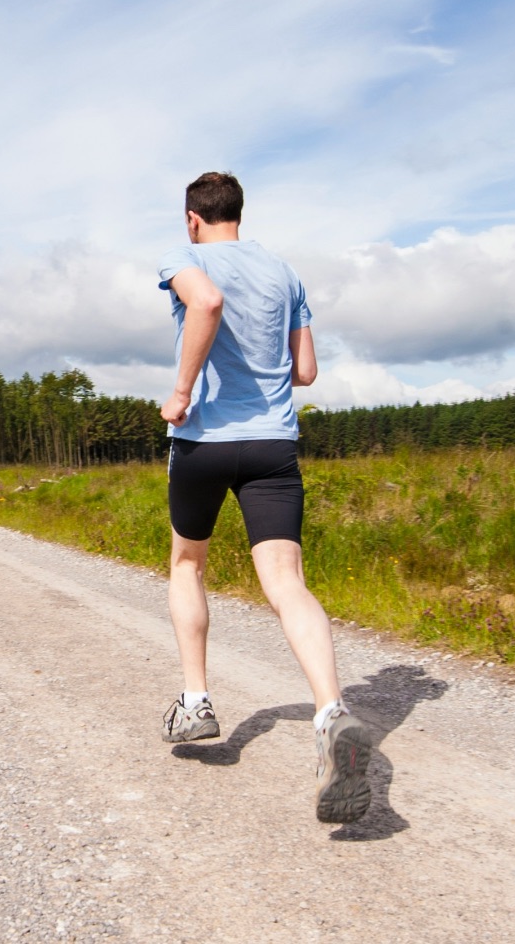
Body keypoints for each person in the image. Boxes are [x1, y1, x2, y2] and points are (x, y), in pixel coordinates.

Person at [155, 171, 374, 825]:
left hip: (203, 442)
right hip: (273, 444)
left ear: (193, 219)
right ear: (238, 215)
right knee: (286, 582)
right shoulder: (284, 273)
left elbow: (207, 303)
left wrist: (182, 390)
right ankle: (332, 711)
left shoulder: (185, 258)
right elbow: (305, 370)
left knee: (187, 563)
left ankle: (196, 703)